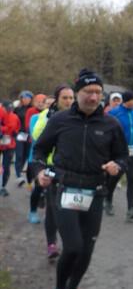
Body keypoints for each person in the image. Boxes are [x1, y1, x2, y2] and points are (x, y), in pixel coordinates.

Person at [33, 69, 128, 289]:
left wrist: (117, 166)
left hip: (94, 192)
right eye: (88, 92)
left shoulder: (110, 124)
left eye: (98, 92)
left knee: (86, 250)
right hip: (64, 189)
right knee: (73, 246)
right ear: (77, 93)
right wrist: (40, 171)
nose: (93, 97)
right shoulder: (60, 120)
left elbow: (122, 156)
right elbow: (39, 150)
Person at [31, 85, 75, 258]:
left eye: (71, 98)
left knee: (71, 206)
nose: (68, 101)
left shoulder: (78, 116)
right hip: (51, 166)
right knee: (52, 207)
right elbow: (36, 136)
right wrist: (50, 121)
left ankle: (71, 243)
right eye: (65, 98)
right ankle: (51, 244)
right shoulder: (46, 115)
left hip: (71, 167)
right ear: (57, 100)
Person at [105, 90, 133, 220]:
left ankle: (131, 209)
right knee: (114, 178)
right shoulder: (114, 113)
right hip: (119, 152)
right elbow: (106, 130)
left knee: (132, 179)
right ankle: (108, 200)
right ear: (127, 100)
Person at [26, 95, 55, 224]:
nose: (50, 107)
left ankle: (50, 214)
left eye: (52, 104)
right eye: (47, 104)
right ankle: (32, 211)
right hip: (38, 158)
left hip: (55, 160)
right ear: (43, 105)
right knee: (38, 187)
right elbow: (35, 136)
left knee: (53, 189)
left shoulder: (62, 119)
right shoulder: (35, 118)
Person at [13, 90, 33, 186]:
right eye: (24, 98)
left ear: (31, 99)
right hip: (20, 134)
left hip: (29, 134)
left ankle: (20, 171)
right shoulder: (17, 109)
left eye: (28, 98)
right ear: (21, 99)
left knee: (26, 155)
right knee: (19, 155)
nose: (25, 100)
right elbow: (13, 119)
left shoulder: (33, 109)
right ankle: (18, 175)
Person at [0, 101, 21, 196]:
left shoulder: (14, 116)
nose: (8, 110)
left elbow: (16, 128)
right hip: (6, 142)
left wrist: (12, 132)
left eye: (10, 108)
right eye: (6, 108)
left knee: (6, 166)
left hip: (9, 144)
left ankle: (3, 186)